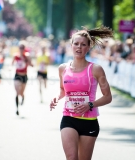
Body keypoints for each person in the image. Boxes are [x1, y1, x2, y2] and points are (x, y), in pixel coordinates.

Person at [50, 26, 113, 160]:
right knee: (71, 157)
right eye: (76, 44)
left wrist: (90, 104)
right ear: (71, 45)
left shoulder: (96, 69)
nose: (79, 47)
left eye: (83, 44)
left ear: (88, 47)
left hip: (89, 122)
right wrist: (56, 98)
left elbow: (108, 97)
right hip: (68, 119)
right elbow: (62, 90)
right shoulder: (63, 69)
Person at [12, 42, 33, 115]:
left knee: (21, 93)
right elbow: (11, 64)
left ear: (24, 49)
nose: (21, 49)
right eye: (20, 48)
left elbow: (32, 65)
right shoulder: (15, 56)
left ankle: (23, 97)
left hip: (24, 76)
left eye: (22, 48)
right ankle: (17, 109)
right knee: (17, 92)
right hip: (17, 75)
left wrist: (26, 60)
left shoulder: (27, 56)